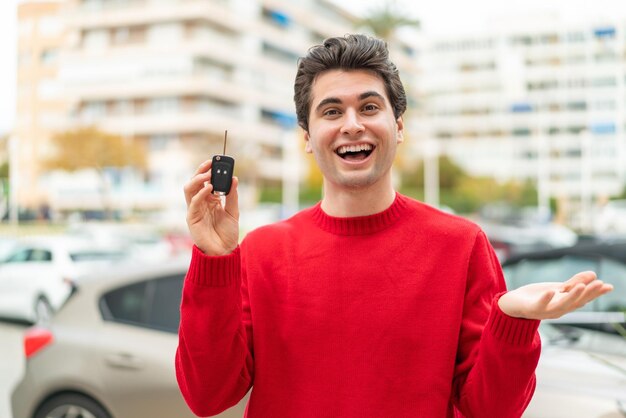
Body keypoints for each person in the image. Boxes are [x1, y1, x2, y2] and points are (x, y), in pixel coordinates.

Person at [177, 34, 613, 418]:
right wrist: (214, 260)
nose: (352, 125)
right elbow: (208, 396)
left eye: (369, 106)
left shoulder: (461, 245)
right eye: (331, 111)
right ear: (307, 137)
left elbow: (491, 410)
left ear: (398, 126)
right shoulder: (262, 251)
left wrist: (512, 321)